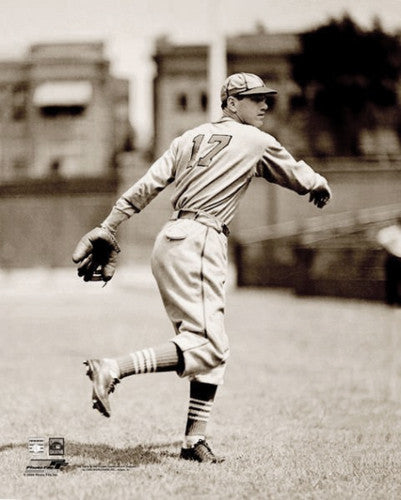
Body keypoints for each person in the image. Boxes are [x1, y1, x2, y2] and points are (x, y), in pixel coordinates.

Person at [72, 73, 332, 463]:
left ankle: (194, 442)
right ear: (230, 102)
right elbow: (299, 176)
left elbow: (147, 185)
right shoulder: (257, 141)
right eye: (254, 98)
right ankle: (112, 368)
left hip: (171, 239)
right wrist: (318, 182)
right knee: (208, 344)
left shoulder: (187, 138)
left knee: (211, 346)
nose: (264, 105)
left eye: (266, 99)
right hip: (201, 239)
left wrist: (109, 225)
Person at [377, 217, 401, 306]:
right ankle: (391, 300)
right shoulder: (391, 231)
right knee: (391, 280)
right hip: (393, 257)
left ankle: (398, 300)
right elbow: (382, 239)